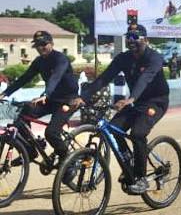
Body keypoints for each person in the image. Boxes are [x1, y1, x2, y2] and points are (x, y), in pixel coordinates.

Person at [79, 25, 169, 195]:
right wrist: (83, 97)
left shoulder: (154, 57)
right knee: (114, 129)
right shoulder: (123, 58)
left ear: (146, 40)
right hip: (135, 102)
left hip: (155, 102)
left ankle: (141, 178)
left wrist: (131, 98)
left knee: (137, 133)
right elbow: (104, 78)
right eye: (129, 37)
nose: (131, 40)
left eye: (136, 37)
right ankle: (130, 164)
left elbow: (145, 79)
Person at [0, 31, 78, 171]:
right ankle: (30, 150)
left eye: (43, 44)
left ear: (51, 44)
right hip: (51, 99)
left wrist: (46, 93)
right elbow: (24, 79)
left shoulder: (61, 59)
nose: (40, 48)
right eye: (37, 45)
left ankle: (68, 162)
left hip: (68, 100)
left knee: (51, 133)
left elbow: (56, 76)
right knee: (24, 114)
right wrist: (5, 93)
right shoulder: (39, 62)